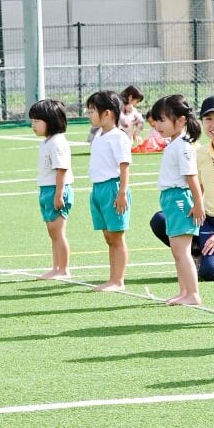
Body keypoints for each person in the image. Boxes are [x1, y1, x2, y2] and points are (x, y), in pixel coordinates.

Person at [161, 95, 214, 283]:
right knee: (161, 220)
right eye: (208, 119)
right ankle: (197, 253)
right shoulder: (200, 153)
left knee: (212, 272)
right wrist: (193, 208)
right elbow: (200, 187)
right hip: (209, 219)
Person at [148, 95, 205, 306]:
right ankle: (184, 291)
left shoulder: (183, 146)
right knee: (177, 251)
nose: (157, 125)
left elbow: (192, 177)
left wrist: (198, 204)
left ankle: (193, 294)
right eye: (156, 120)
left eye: (162, 120)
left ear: (180, 121)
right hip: (171, 199)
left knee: (182, 252)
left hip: (180, 199)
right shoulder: (174, 144)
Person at [86, 90, 133, 292]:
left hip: (113, 188)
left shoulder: (118, 137)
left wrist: (121, 193)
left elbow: (124, 166)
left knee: (116, 237)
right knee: (108, 237)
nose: (89, 115)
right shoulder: (98, 135)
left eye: (92, 111)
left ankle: (118, 281)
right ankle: (112, 278)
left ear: (107, 113)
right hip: (98, 189)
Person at [28, 99, 72, 280]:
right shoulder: (47, 142)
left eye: (37, 121)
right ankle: (56, 267)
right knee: (52, 233)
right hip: (46, 189)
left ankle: (64, 269)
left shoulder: (57, 143)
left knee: (58, 232)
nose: (33, 125)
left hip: (56, 190)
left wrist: (59, 194)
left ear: (51, 120)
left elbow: (62, 169)